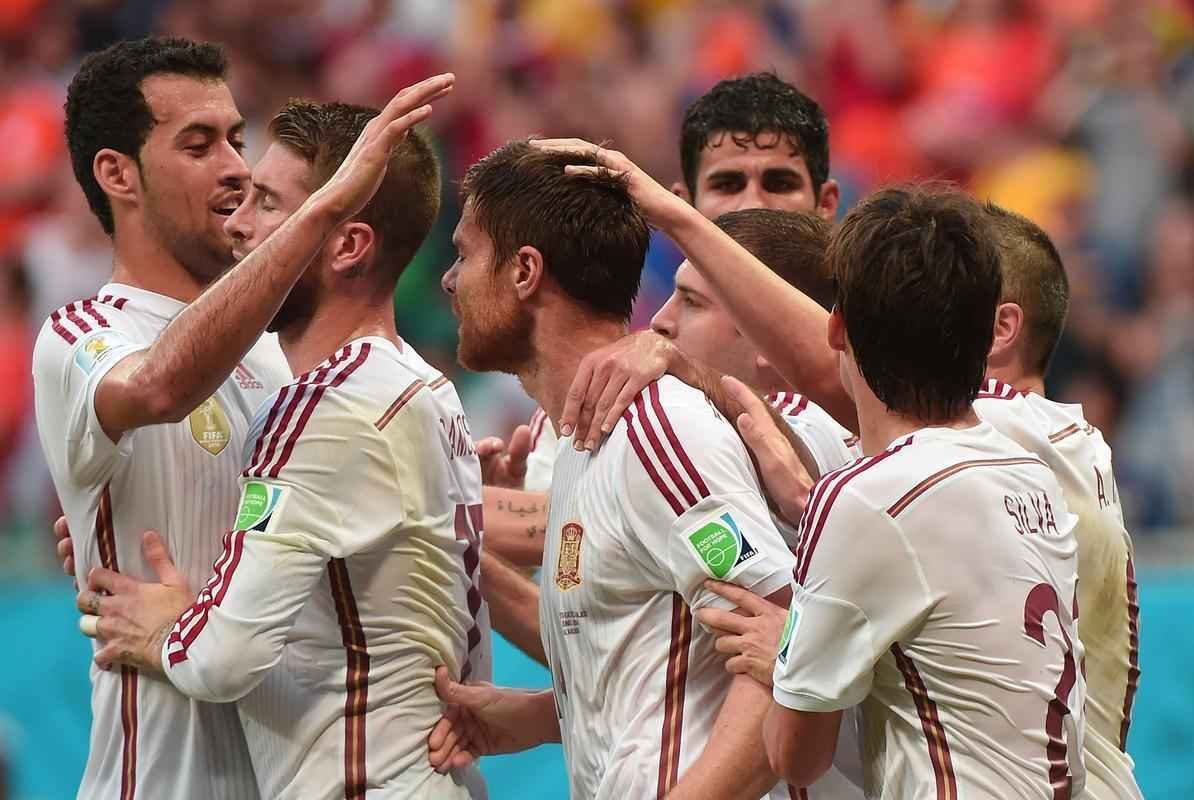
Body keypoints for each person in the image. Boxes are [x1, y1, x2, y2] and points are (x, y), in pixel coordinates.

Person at [71, 89, 498, 800]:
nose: (238, 223)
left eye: (267, 203)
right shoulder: (424, 386)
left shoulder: (326, 403)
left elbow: (222, 658)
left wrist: (170, 628)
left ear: (346, 242)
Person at [431, 139, 798, 800]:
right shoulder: (581, 438)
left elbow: (786, 656)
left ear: (525, 272)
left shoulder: (660, 429)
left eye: (464, 253)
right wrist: (548, 715)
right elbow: (642, 653)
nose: (449, 279)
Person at [760, 186, 1086, 796]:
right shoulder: (1033, 473)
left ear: (836, 329)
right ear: (987, 331)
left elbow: (794, 758)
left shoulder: (865, 497)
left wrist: (783, 655)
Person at [34, 37, 284, 800]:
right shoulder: (81, 335)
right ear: (118, 174)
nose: (238, 166)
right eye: (199, 144)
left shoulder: (277, 356)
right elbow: (159, 389)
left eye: (238, 139)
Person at [479, 71, 849, 569]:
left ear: (827, 204)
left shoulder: (877, 354)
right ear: (685, 201)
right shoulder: (607, 387)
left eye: (779, 183)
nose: (752, 203)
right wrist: (493, 547)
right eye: (727, 184)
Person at [972, 205, 1143, 800]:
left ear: (1001, 328)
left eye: (931, 291)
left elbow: (831, 364)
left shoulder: (991, 427)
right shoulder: (1073, 441)